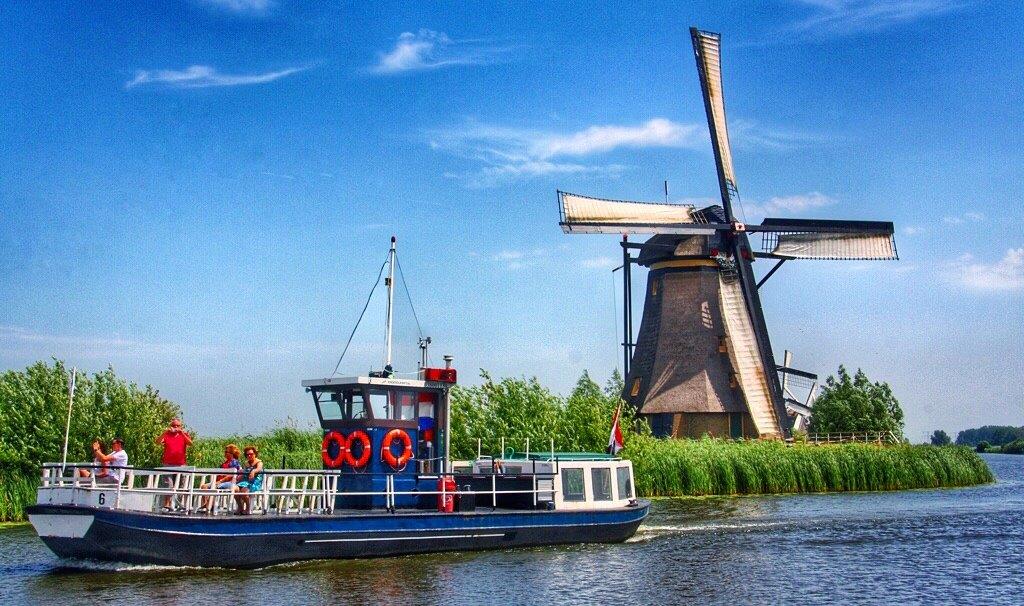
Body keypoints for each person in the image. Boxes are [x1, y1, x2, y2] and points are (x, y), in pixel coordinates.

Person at [156, 418, 193, 510]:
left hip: (181, 464)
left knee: (181, 485)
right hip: (168, 464)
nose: (175, 427)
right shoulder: (167, 434)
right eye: (173, 425)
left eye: (177, 426)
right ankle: (167, 504)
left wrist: (181, 433)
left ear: (180, 426)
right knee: (168, 484)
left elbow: (190, 443)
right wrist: (165, 432)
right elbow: (157, 442)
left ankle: (178, 504)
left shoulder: (184, 435)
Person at [198, 444, 241, 512]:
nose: (225, 453)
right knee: (204, 486)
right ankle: (207, 504)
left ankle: (210, 505)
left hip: (229, 482)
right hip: (220, 482)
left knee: (214, 487)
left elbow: (233, 474)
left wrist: (221, 481)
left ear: (231, 453)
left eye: (226, 452)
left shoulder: (234, 462)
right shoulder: (225, 462)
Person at [233, 445, 264, 515]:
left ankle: (248, 507)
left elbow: (258, 469)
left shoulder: (259, 462)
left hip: (254, 482)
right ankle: (240, 507)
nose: (249, 456)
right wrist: (240, 475)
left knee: (244, 491)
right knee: (234, 489)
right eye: (247, 454)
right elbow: (245, 472)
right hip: (244, 482)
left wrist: (253, 471)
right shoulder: (246, 463)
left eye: (251, 454)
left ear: (255, 454)